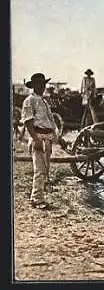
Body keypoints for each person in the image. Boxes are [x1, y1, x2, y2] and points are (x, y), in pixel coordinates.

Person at [20, 72, 60, 209]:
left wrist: (58, 138)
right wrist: (36, 139)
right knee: (39, 170)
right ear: (34, 86)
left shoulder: (43, 101)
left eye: (43, 84)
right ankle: (37, 199)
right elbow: (28, 122)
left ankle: (38, 197)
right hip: (38, 137)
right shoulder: (29, 101)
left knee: (45, 169)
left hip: (47, 138)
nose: (42, 87)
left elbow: (50, 122)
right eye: (39, 84)